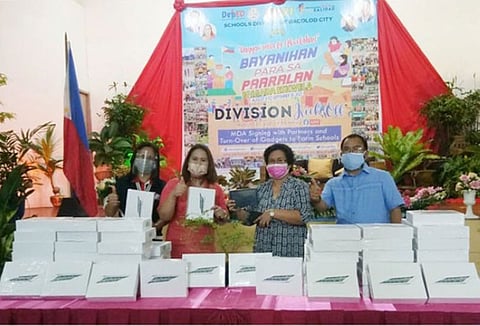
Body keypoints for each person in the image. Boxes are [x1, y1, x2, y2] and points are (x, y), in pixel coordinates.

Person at [229, 144, 314, 257]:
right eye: (271, 161)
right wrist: (237, 210)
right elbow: (250, 218)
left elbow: (303, 216)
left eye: (280, 161)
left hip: (292, 251)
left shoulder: (299, 186)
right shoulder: (260, 189)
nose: (275, 164)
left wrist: (273, 213)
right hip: (263, 251)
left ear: (289, 164)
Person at [310, 134, 404, 224]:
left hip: (377, 236)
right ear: (342, 155)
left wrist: (395, 235)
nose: (351, 153)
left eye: (356, 149)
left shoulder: (383, 178)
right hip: (346, 235)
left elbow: (395, 208)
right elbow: (322, 207)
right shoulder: (333, 184)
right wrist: (316, 199)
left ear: (365, 154)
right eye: (347, 150)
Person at [157, 144, 228, 258]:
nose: (198, 163)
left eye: (203, 160)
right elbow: (164, 216)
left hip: (205, 248)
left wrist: (221, 214)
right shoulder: (174, 184)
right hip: (177, 247)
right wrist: (174, 194)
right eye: (194, 159)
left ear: (208, 165)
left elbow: (223, 219)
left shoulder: (215, 189)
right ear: (188, 162)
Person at [104, 142, 166, 233]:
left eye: (149, 158)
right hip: (126, 233)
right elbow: (109, 213)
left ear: (155, 163)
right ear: (135, 159)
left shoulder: (162, 186)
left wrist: (156, 226)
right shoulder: (122, 183)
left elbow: (166, 215)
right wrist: (112, 204)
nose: (145, 160)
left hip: (153, 236)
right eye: (141, 157)